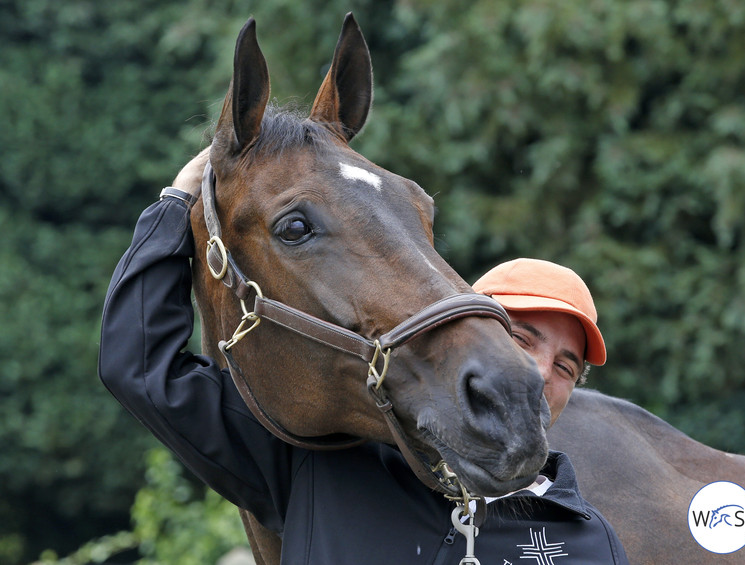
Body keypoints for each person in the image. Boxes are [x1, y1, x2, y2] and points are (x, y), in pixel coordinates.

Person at [98, 150, 629, 564]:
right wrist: (174, 205)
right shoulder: (318, 471)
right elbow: (143, 366)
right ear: (471, 328)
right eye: (522, 339)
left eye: (566, 367)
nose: (536, 374)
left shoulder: (589, 543)